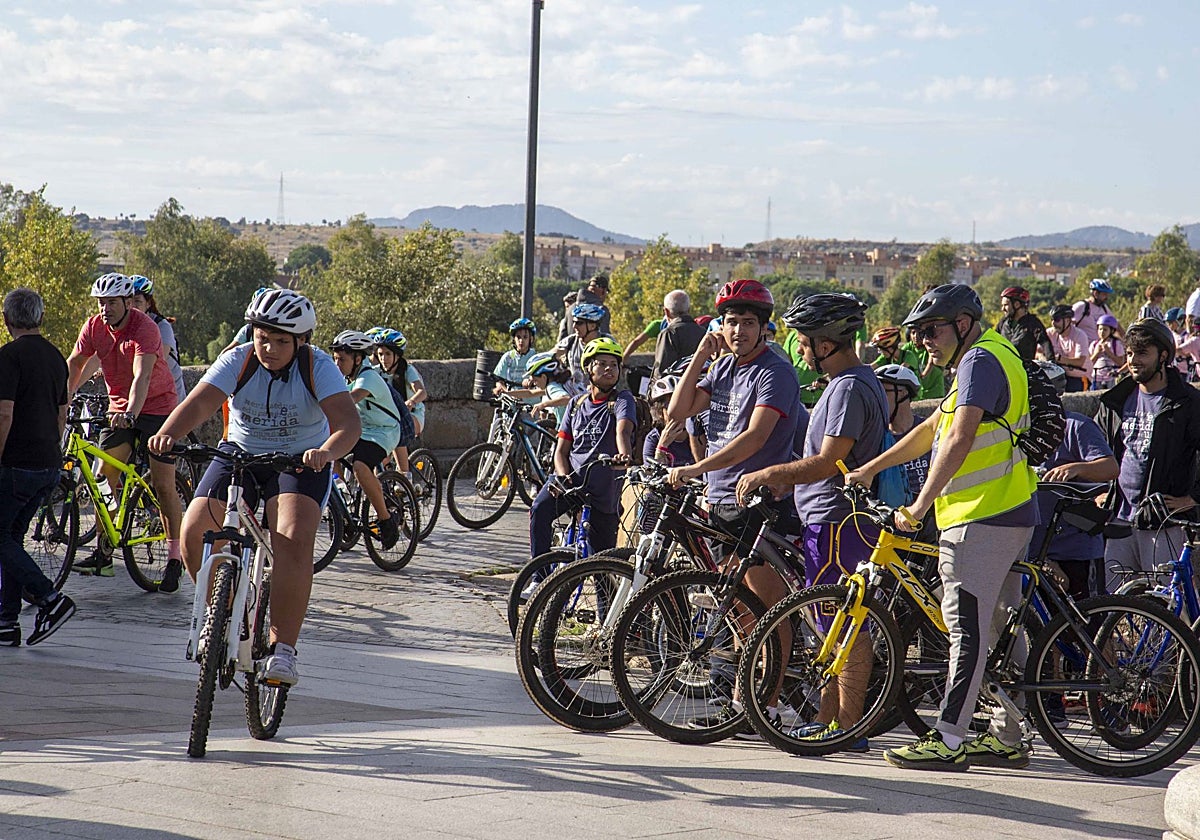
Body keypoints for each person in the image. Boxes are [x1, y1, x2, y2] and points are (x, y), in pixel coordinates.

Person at [846, 283, 1038, 771]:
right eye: (919, 333)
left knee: (966, 629)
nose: (924, 340)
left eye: (932, 330)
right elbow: (932, 429)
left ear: (962, 324)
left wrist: (917, 507)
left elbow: (959, 438)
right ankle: (1008, 735)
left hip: (981, 515)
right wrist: (872, 467)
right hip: (1006, 508)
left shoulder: (979, 361)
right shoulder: (989, 354)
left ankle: (949, 738)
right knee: (999, 627)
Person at [147, 289, 360, 686]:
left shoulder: (319, 366)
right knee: (194, 531)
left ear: (301, 341)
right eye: (263, 338)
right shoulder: (239, 359)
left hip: (300, 458)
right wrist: (167, 434)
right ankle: (222, 615)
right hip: (240, 452)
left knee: (292, 538)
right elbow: (199, 404)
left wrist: (327, 452)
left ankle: (283, 652)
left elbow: (348, 424)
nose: (270, 349)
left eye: (281, 341)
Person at [737, 293, 886, 750]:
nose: (800, 350)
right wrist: (789, 484)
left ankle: (848, 726)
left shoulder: (848, 388)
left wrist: (770, 473)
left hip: (838, 521)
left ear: (826, 344)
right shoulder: (848, 382)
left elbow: (828, 461)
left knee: (847, 626)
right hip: (828, 518)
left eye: (804, 342)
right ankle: (827, 719)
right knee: (830, 626)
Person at [666, 279, 802, 731]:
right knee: (740, 609)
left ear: (763, 328)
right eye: (730, 322)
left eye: (747, 322)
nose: (738, 330)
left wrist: (696, 468)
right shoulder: (722, 367)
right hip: (721, 500)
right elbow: (677, 412)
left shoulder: (776, 371)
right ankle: (746, 700)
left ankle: (770, 703)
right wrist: (701, 356)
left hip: (759, 504)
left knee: (768, 608)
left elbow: (756, 436)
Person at [66, 273, 183, 587]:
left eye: (112, 303)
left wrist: (131, 413)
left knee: (163, 484)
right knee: (103, 477)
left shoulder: (145, 328)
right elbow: (76, 363)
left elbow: (141, 375)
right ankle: (104, 554)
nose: (106, 309)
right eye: (101, 303)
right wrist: (61, 396)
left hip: (157, 406)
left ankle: (175, 557)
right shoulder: (94, 326)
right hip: (119, 408)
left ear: (128, 302)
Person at [1094, 318, 1200, 583]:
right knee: (1114, 601)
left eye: (1142, 353)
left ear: (1163, 356)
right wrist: (1100, 491)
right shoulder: (1115, 401)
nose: (1133, 361)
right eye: (1130, 353)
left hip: (1163, 523)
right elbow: (1095, 449)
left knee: (1167, 601)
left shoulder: (1187, 402)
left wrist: (1192, 499)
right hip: (1118, 520)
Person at [0, 288, 77, 647]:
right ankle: (6, 622)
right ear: (40, 317)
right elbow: (62, 414)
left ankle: (50, 598)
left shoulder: (8, 357)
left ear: (6, 319)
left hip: (17, 464)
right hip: (48, 463)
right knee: (11, 539)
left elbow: (4, 414)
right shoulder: (56, 357)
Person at [528, 337, 635, 559]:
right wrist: (562, 477)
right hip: (571, 483)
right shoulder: (575, 404)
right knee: (539, 509)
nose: (609, 369)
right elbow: (561, 451)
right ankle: (539, 573)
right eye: (602, 363)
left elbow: (623, 431)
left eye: (614, 364)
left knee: (602, 563)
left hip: (603, 493)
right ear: (588, 368)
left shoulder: (622, 400)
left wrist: (623, 455)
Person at [1028, 361, 1118, 600]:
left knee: (1086, 616)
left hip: (1075, 548)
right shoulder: (1021, 433)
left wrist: (1076, 468)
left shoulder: (1076, 426)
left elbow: (1110, 468)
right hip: (1035, 549)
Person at [329, 330, 402, 549]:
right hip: (361, 430)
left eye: (342, 360)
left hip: (384, 432)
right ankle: (343, 496)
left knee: (360, 467)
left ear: (358, 359)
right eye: (335, 359)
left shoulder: (368, 377)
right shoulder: (345, 377)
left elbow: (351, 399)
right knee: (328, 451)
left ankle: (386, 519)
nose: (337, 365)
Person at [374, 328, 427, 480]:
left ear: (397, 355)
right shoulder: (375, 372)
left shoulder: (408, 370)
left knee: (397, 432)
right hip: (387, 418)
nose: (383, 358)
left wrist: (411, 401)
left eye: (388, 354)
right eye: (380, 354)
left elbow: (421, 392)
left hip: (412, 416)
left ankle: (405, 477)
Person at [875, 363, 930, 503]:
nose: (878, 398)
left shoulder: (927, 429)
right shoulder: (878, 438)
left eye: (883, 392)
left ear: (902, 393)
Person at [129, 275, 186, 404]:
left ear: (148, 303)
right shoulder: (127, 327)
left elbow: (160, 359)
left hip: (170, 396)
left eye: (137, 301)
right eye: (129, 301)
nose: (132, 306)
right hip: (144, 393)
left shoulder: (162, 326)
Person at [501, 351, 573, 426]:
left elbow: (566, 399)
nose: (534, 384)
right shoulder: (555, 384)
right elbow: (530, 393)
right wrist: (507, 393)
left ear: (544, 377)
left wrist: (542, 405)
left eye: (535, 380)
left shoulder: (551, 387)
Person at [555, 302, 610, 393]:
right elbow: (551, 355)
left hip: (600, 395)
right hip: (576, 396)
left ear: (592, 325)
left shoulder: (607, 342)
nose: (574, 326)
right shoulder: (571, 341)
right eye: (573, 322)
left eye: (579, 323)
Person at [650, 289, 706, 379]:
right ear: (689, 309)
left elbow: (660, 371)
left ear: (666, 312)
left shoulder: (669, 333)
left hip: (674, 385)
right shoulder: (703, 332)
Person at [643, 375, 693, 466]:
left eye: (682, 405)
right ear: (660, 413)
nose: (679, 412)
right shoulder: (653, 438)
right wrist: (662, 446)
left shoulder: (699, 434)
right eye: (670, 407)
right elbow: (650, 472)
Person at [998, 286, 1052, 361]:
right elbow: (991, 341)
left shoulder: (1033, 323)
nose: (1002, 309)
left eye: (1006, 305)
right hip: (1002, 366)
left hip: (1022, 367)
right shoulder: (1003, 322)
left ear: (1017, 304)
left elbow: (1045, 343)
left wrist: (1051, 360)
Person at [1045, 304, 1090, 392]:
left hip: (1077, 377)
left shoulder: (1080, 335)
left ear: (1068, 320)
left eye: (1057, 320)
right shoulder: (1050, 333)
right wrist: (1045, 358)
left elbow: (1080, 362)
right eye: (1052, 320)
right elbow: (1038, 352)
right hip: (1057, 375)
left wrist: (1059, 359)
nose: (1053, 323)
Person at [493, 317, 538, 398]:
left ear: (531, 339)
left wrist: (531, 381)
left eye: (525, 337)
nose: (521, 341)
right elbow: (499, 380)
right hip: (511, 401)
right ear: (514, 339)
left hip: (531, 402)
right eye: (518, 337)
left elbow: (542, 380)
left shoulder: (535, 357)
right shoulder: (507, 357)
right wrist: (503, 390)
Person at [902, 325, 945, 401]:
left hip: (934, 389)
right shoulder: (909, 347)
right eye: (913, 333)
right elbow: (900, 356)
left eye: (919, 333)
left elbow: (930, 363)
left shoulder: (929, 345)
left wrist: (922, 376)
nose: (916, 336)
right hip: (919, 390)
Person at [1072, 278, 1113, 347]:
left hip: (1098, 349)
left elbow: (1116, 325)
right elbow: (1066, 325)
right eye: (1104, 294)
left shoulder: (1104, 308)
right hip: (1083, 349)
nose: (1107, 297)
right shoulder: (1081, 307)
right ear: (1095, 293)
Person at [1089, 314, 1126, 390]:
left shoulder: (1116, 344)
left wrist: (1109, 353)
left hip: (1111, 377)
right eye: (1100, 329)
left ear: (1111, 330)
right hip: (1096, 377)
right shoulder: (1094, 344)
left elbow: (1121, 362)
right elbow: (1089, 363)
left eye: (1105, 329)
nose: (1102, 332)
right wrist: (1096, 353)